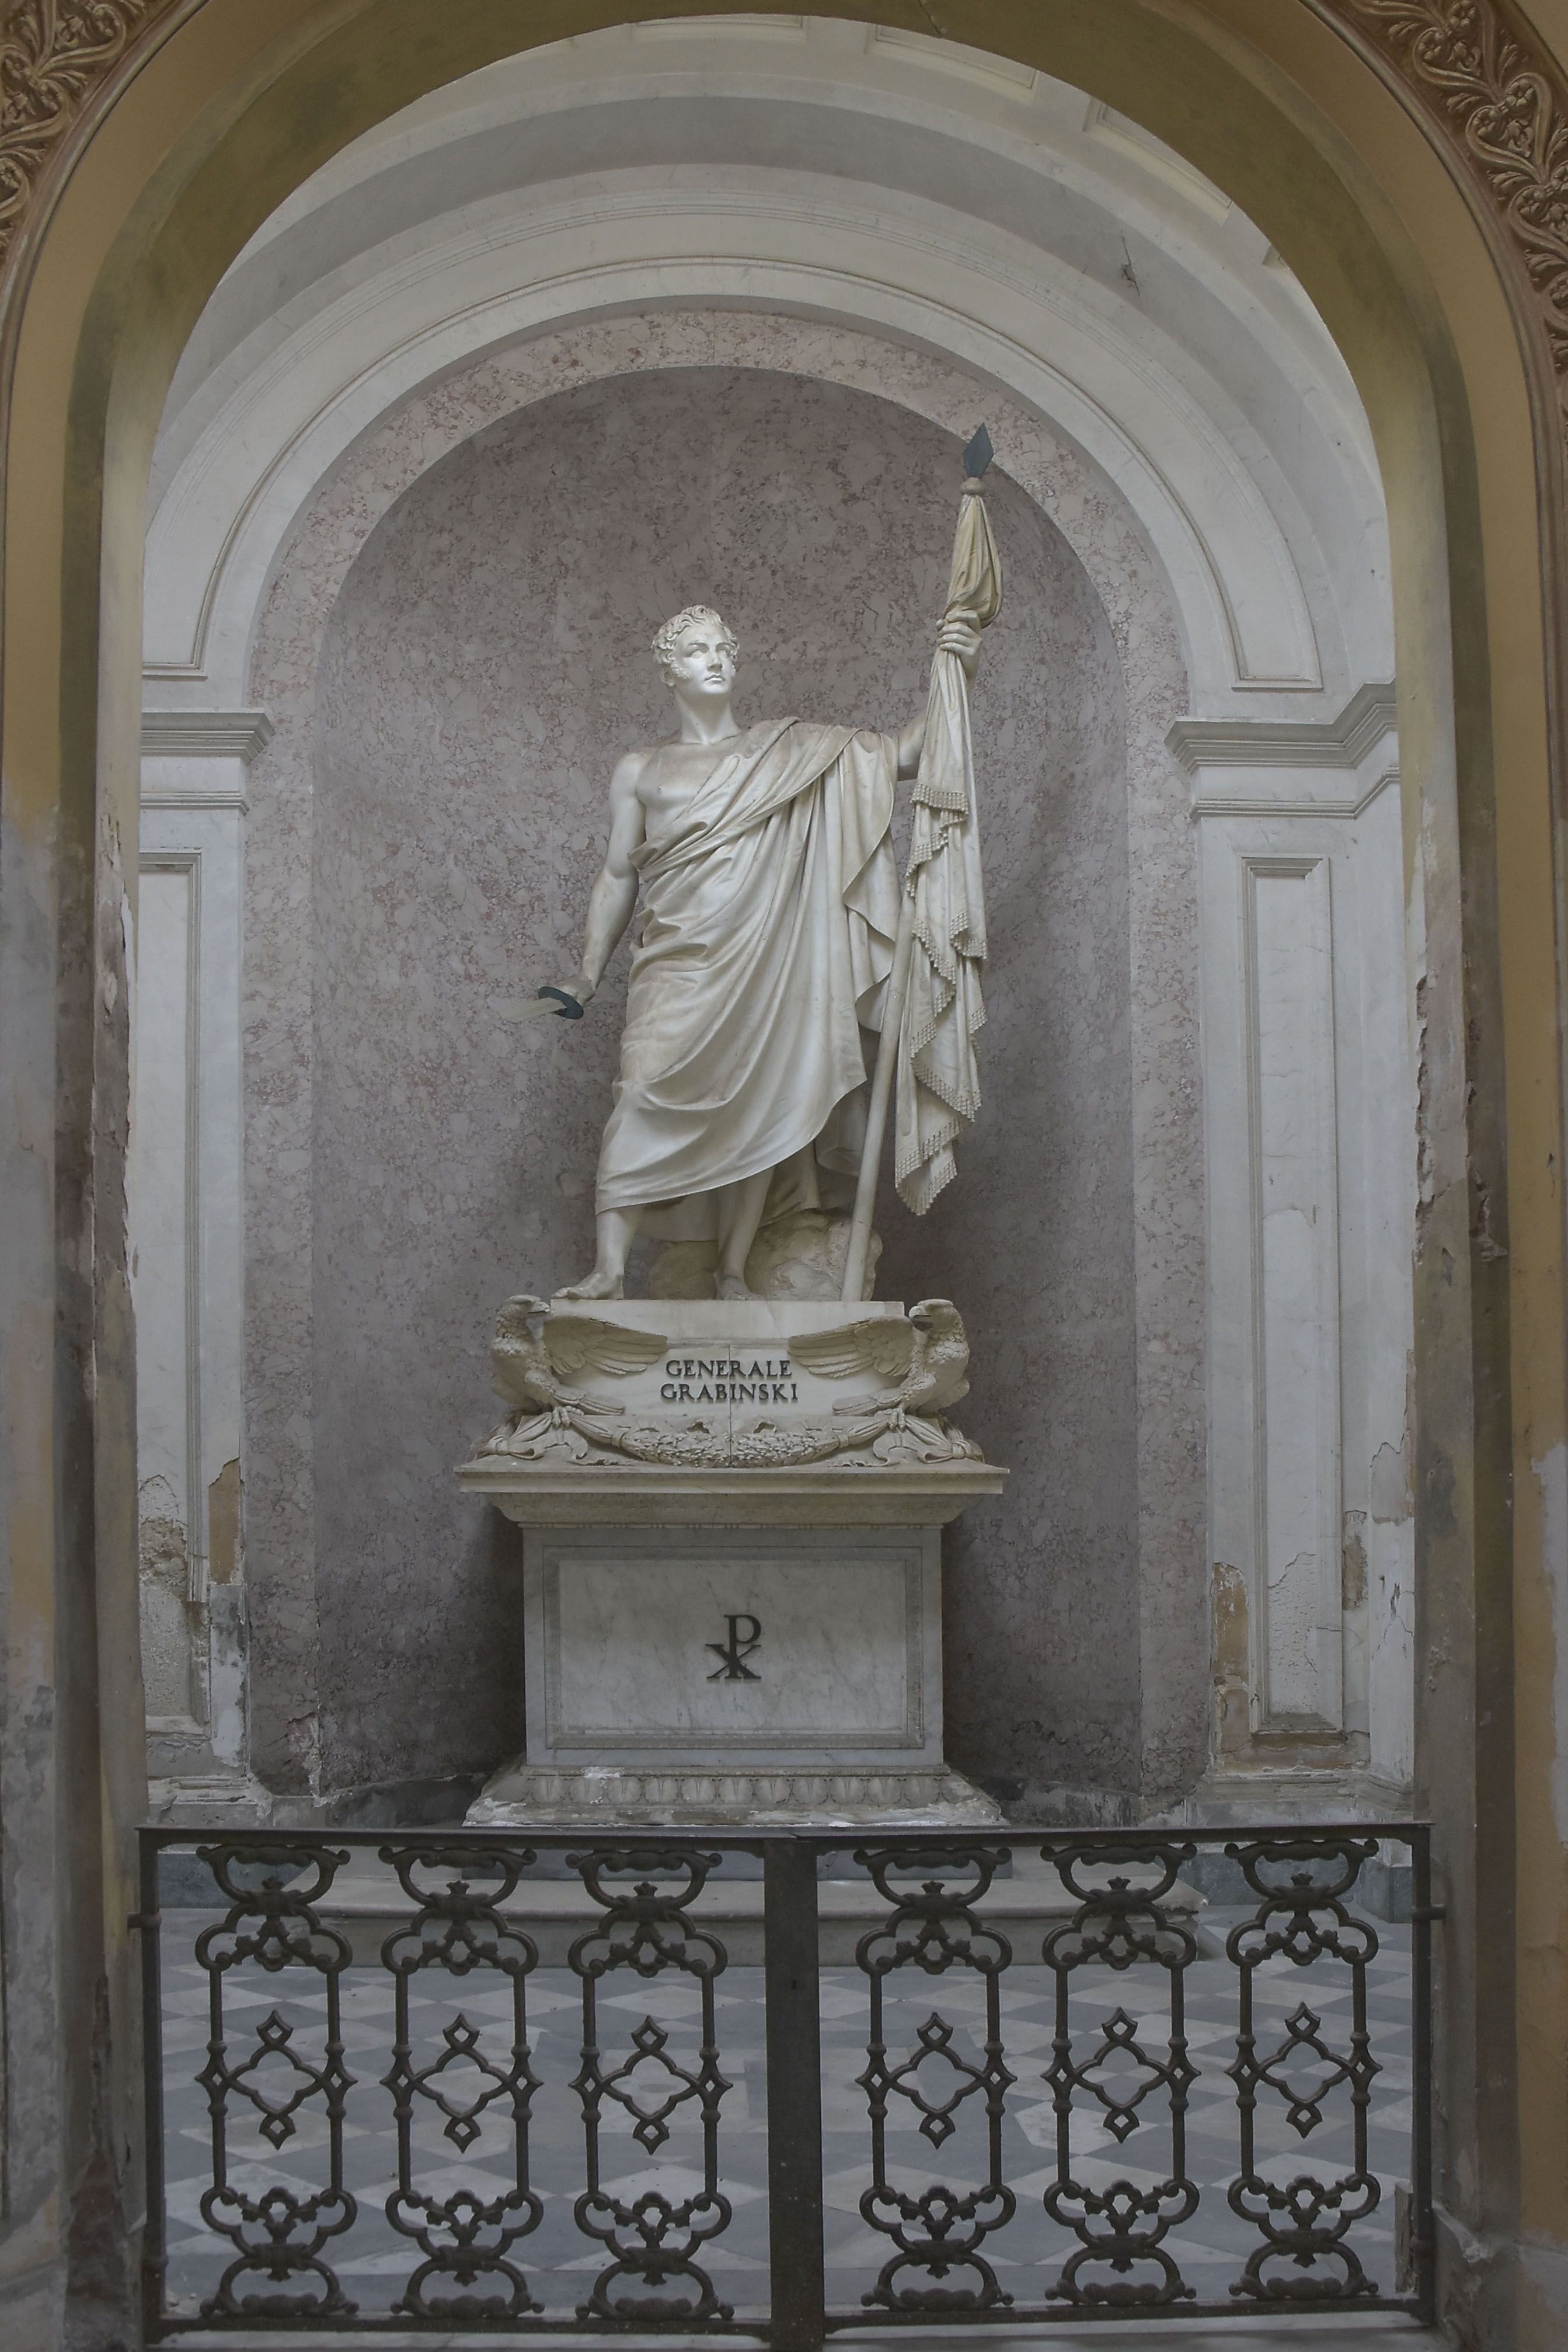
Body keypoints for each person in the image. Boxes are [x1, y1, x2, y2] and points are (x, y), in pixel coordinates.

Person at [552, 604, 980, 1299]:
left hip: (765, 963)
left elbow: (903, 755)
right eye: (695, 650)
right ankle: (608, 1270)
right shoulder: (643, 767)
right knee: (639, 1091)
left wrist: (956, 667)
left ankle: (731, 1268)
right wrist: (585, 974)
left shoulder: (787, 752)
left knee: (757, 1103)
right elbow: (618, 873)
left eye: (723, 647)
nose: (715, 659)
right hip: (675, 961)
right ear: (669, 669)